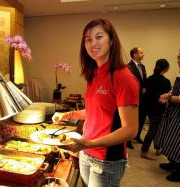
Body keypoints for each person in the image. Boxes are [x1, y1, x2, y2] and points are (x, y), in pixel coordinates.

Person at [52, 18, 139, 187]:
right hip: (86, 151)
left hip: (106, 160)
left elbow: (130, 129)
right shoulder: (94, 74)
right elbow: (96, 112)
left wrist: (92, 143)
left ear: (112, 40)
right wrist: (68, 114)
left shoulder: (123, 77)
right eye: (88, 39)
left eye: (99, 37)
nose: (93, 43)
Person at [154, 50, 180, 182]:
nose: (178, 60)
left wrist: (170, 98)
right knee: (170, 140)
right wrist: (168, 94)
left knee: (178, 143)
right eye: (178, 57)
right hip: (174, 114)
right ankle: (173, 164)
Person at [140, 59, 171, 160]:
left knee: (155, 129)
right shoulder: (166, 82)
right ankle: (144, 151)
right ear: (166, 69)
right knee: (153, 130)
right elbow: (166, 97)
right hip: (158, 110)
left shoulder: (149, 78)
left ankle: (157, 148)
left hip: (148, 108)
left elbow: (144, 93)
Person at [127, 47, 147, 149]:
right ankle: (128, 141)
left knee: (141, 117)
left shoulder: (142, 67)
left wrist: (145, 88)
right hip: (132, 97)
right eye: (141, 52)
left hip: (142, 97)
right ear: (135, 54)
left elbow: (144, 80)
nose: (143, 54)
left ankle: (137, 136)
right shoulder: (128, 67)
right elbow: (128, 84)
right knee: (131, 119)